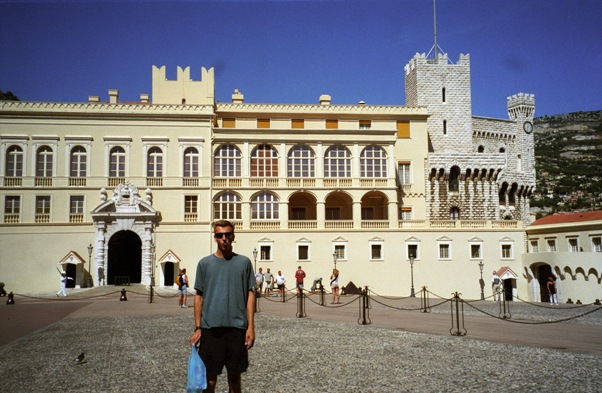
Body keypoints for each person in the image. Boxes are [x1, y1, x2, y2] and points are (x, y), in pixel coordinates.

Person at [189, 220, 255, 393]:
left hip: (237, 328)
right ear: (215, 238)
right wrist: (198, 327)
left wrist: (251, 327)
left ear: (233, 236)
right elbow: (198, 296)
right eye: (220, 235)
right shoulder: (205, 264)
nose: (224, 238)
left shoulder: (244, 262)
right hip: (211, 328)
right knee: (209, 379)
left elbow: (250, 294)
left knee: (235, 378)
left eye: (227, 234)